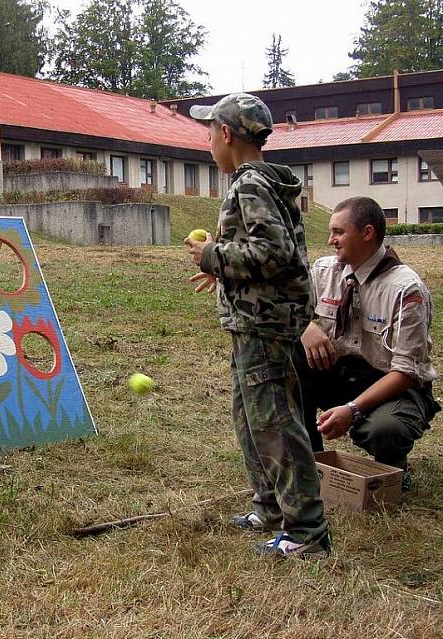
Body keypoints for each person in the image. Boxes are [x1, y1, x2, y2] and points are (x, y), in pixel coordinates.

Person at [185, 93, 330, 558]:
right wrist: (222, 269)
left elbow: (275, 254)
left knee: (275, 423)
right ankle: (269, 507)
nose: (208, 141)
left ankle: (306, 532)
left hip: (264, 326)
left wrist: (212, 255)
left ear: (226, 134)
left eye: (210, 132)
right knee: (249, 418)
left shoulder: (250, 184)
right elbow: (267, 254)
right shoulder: (260, 182)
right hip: (252, 323)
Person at [298, 196, 439, 490]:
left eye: (338, 232)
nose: (330, 240)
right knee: (286, 361)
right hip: (340, 371)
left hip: (391, 383)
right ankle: (312, 464)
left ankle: (392, 466)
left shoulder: (405, 290)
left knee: (385, 430)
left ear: (367, 233)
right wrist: (305, 326)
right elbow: (288, 307)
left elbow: (406, 372)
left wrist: (352, 410)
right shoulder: (325, 271)